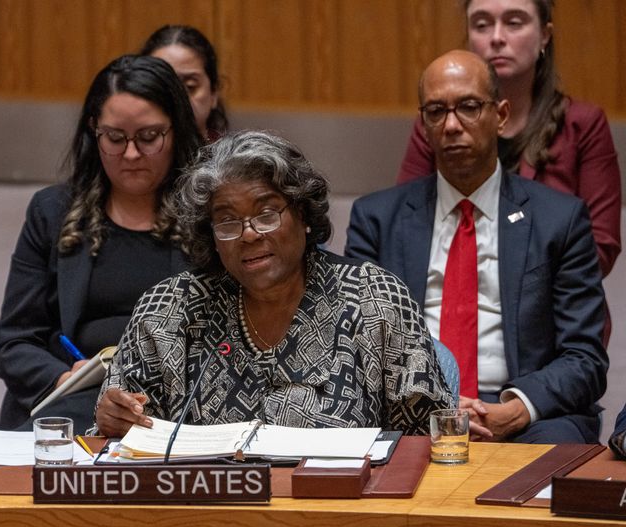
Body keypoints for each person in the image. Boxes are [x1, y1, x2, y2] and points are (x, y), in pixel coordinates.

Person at [94, 130, 451, 438]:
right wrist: (112, 419)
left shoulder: (376, 299)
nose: (248, 234)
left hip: (341, 509)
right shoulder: (170, 310)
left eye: (266, 214)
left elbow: (427, 439)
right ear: (212, 237)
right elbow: (122, 435)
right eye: (228, 222)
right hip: (204, 511)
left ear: (303, 215)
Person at [345, 50, 608, 444]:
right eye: (436, 111)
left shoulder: (560, 219)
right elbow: (357, 347)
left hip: (525, 413)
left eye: (468, 107)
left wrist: (517, 408)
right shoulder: (377, 219)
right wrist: (433, 406)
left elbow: (585, 356)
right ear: (424, 125)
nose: (452, 125)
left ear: (500, 116)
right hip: (410, 412)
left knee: (555, 458)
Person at [0, 55, 203, 431]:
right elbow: (15, 343)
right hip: (74, 399)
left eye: (150, 137)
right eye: (115, 138)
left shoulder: (208, 216)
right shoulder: (53, 212)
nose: (132, 153)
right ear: (94, 131)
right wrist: (64, 380)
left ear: (176, 132)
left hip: (179, 404)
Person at [397, 0, 621, 279]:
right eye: (481, 25)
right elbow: (405, 227)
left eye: (514, 23)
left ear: (545, 35)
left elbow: (600, 247)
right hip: (452, 292)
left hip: (553, 308)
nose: (497, 38)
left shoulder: (584, 125)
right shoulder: (439, 122)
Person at [141, 25, 229, 142]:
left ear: (214, 93)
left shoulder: (233, 159)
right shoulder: (126, 155)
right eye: (162, 85)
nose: (177, 98)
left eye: (190, 86)